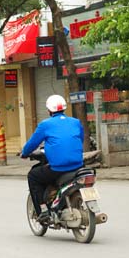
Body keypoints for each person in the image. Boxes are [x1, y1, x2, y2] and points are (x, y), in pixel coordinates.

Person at [20, 94, 84, 223]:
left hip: (58, 168)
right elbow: (80, 139)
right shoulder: (75, 122)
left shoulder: (45, 125)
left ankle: (43, 211)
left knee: (33, 176)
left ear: (49, 110)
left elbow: (32, 144)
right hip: (78, 166)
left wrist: (24, 153)